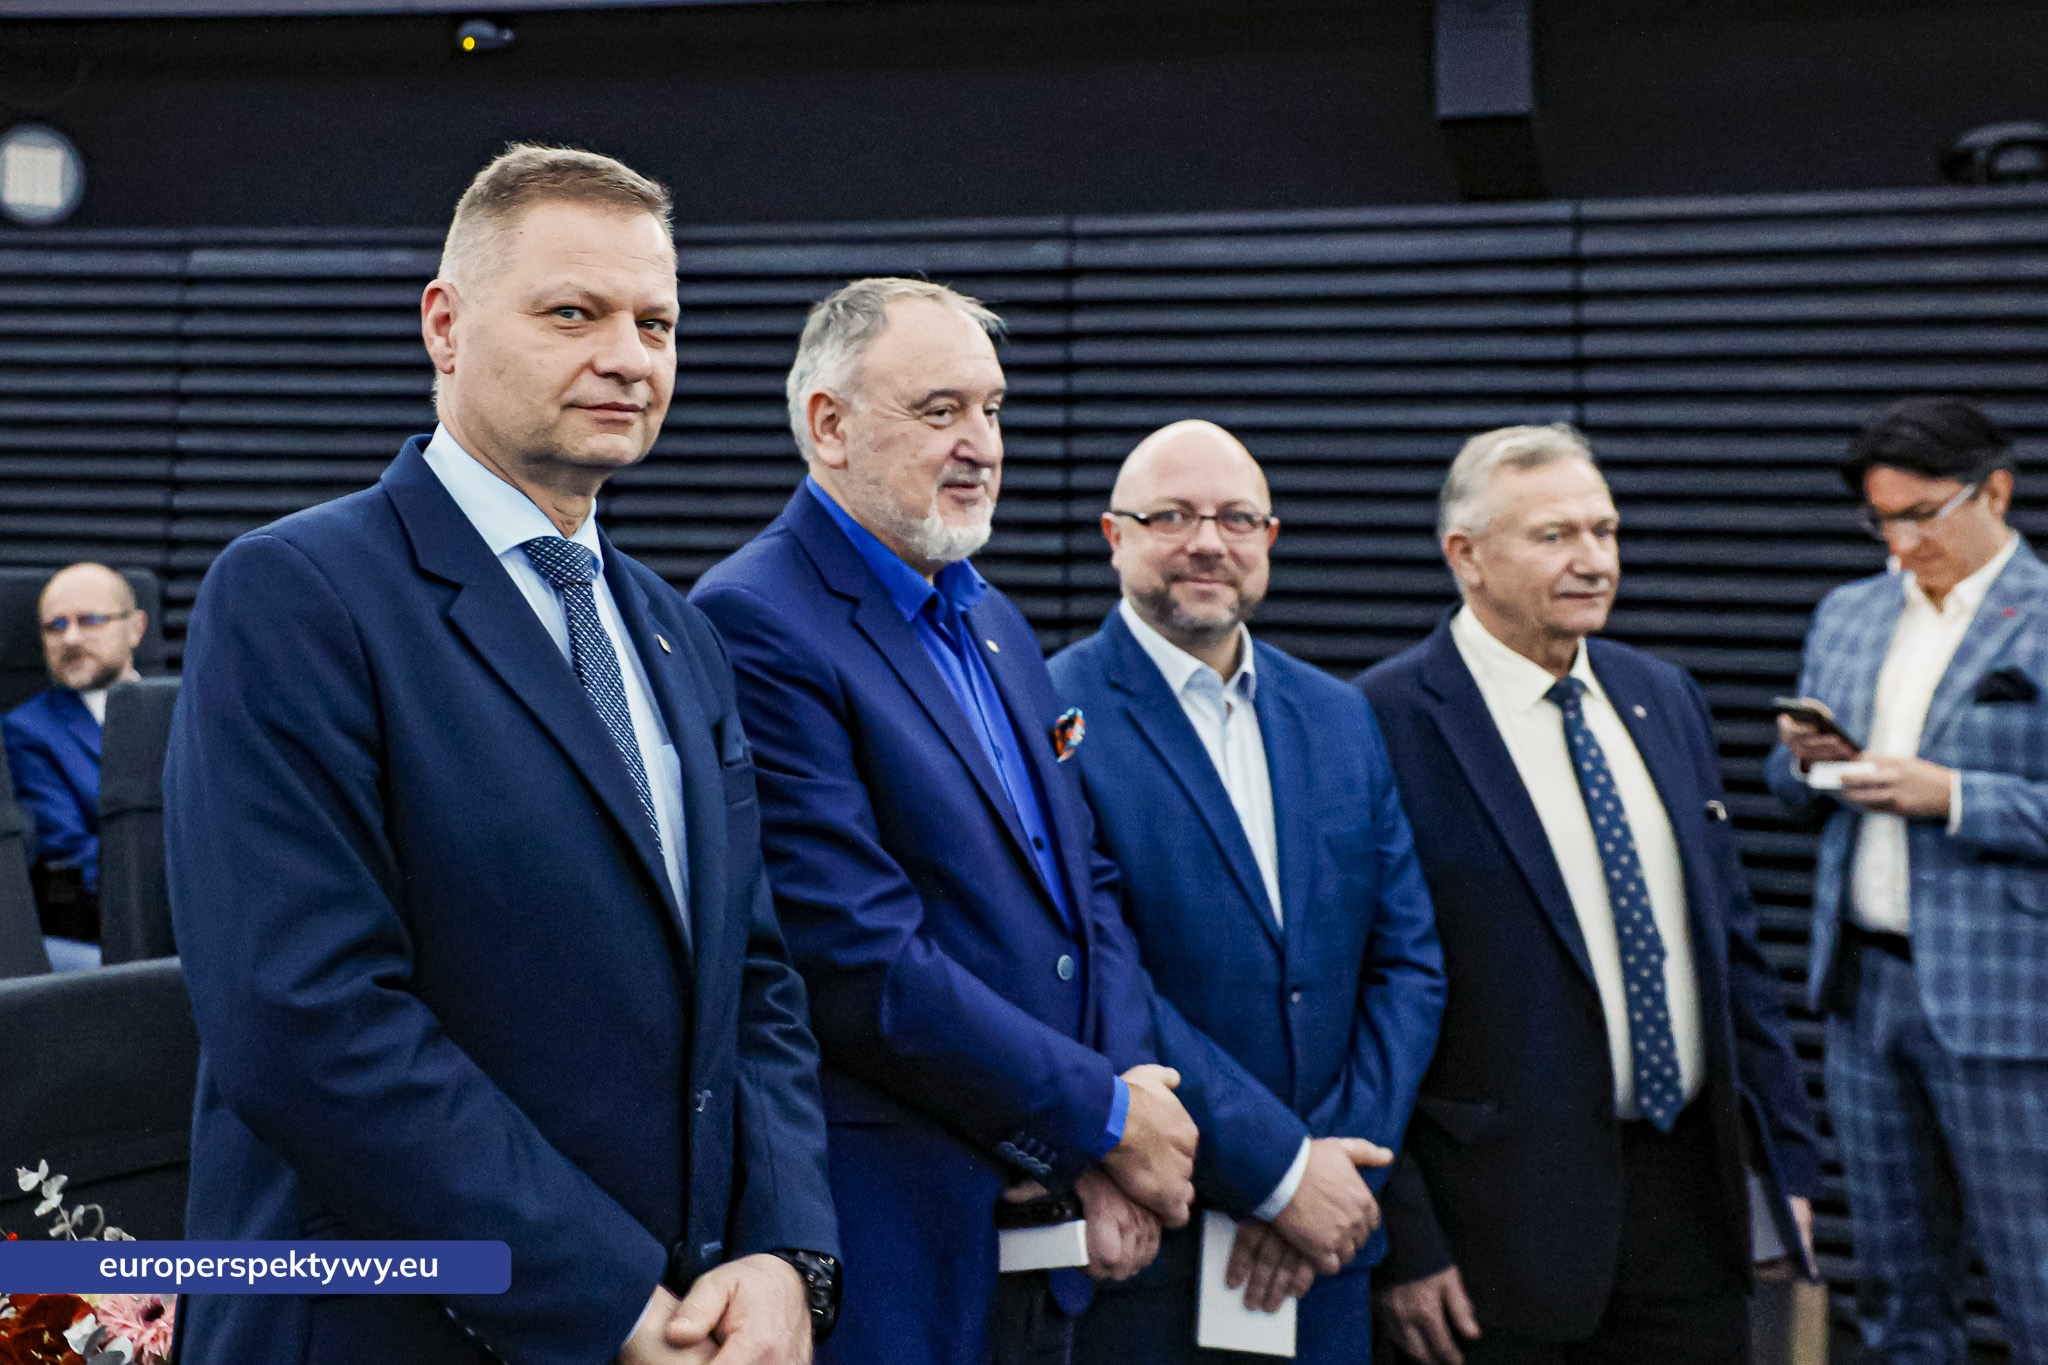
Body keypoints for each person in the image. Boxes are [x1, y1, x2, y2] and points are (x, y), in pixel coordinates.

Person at [164, 146, 836, 1365]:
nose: (628, 356)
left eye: (656, 321)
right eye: (573, 312)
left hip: (683, 1317)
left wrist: (786, 1255)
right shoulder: (296, 595)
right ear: (445, 324)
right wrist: (598, 1293)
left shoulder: (679, 632)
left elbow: (757, 979)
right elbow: (306, 1022)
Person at [694, 278, 1238, 1365]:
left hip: (1058, 1224)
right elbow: (857, 957)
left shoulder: (990, 617)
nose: (979, 443)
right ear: (828, 425)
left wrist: (1121, 1106)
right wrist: (1104, 1121)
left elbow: (1085, 887)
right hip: (901, 1232)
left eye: (991, 410)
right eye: (938, 411)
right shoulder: (754, 621)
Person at [1356, 423, 1822, 1365]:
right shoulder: (1379, 722)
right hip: (1494, 1227)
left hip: (1690, 1201)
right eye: (1555, 536)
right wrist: (1401, 1239)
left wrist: (1783, 1165)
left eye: (1604, 531)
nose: (1593, 560)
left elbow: (1732, 949)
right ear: (1467, 556)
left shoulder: (1664, 695)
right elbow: (1357, 996)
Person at [1049, 420, 1446, 1364]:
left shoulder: (1339, 714)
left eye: (1236, 518)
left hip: (1330, 1244)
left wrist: (1328, 1170)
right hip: (1159, 1246)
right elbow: (1106, 976)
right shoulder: (1052, 713)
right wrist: (1273, 1168)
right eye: (1172, 516)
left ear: (1269, 540)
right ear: (1115, 536)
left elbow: (1408, 963)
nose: (1207, 542)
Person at [1769, 396, 2048, 1364]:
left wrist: (1955, 796)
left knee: (2033, 1280)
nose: (1899, 541)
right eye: (1881, 520)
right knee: (1892, 1282)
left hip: (2005, 1005)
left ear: (1995, 492)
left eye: (1920, 515)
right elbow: (1791, 794)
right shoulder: (1847, 613)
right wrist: (1807, 764)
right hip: (1862, 993)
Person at [2, 562, 145, 950]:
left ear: (136, 628)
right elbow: (70, 855)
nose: (71, 637)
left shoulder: (191, 710)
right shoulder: (29, 730)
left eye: (91, 620)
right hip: (116, 926)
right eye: (56, 626)